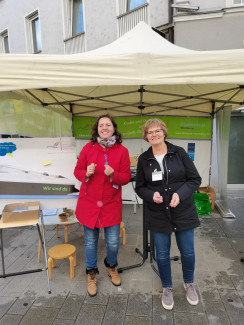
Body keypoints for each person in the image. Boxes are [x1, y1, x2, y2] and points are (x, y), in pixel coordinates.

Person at [135, 118, 201, 310]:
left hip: (183, 210)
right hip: (157, 213)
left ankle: (189, 283)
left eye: (157, 130)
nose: (154, 134)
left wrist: (180, 195)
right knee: (162, 254)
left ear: (164, 132)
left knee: (187, 251)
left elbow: (194, 179)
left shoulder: (178, 152)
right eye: (150, 132)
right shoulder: (144, 159)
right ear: (146, 137)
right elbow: (140, 187)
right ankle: (167, 287)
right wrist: (151, 194)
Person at [74, 114, 131, 297]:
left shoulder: (122, 151)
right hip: (89, 204)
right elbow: (77, 171)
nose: (104, 128)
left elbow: (126, 177)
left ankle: (111, 266)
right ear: (96, 129)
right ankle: (91, 273)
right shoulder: (87, 148)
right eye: (101, 125)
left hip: (111, 205)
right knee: (90, 241)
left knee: (113, 241)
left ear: (114, 129)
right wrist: (86, 173)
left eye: (108, 125)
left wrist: (114, 175)